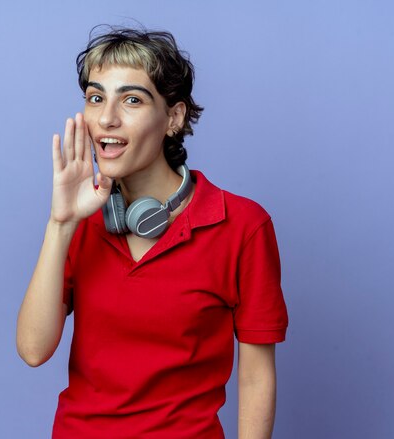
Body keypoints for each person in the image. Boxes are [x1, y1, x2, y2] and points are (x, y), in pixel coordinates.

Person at [16, 26, 288, 439]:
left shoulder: (243, 226)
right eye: (95, 97)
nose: (106, 117)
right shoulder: (81, 223)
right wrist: (61, 223)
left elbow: (255, 379)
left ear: (173, 118)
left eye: (131, 99)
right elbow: (34, 350)